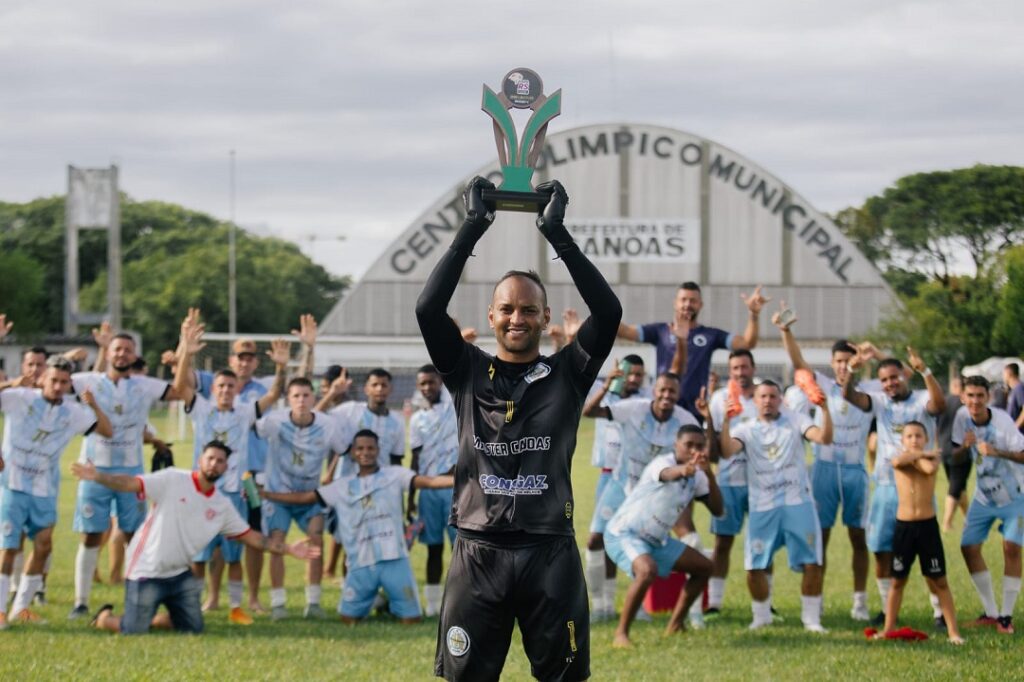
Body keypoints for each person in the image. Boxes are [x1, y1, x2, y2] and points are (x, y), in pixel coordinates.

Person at [416, 177, 620, 681]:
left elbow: (609, 312)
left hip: (549, 552)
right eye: (506, 308)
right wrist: (472, 226)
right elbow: (427, 309)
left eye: (529, 309)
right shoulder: (464, 369)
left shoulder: (568, 372)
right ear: (490, 316)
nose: (517, 318)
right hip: (477, 550)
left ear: (545, 315)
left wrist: (558, 235)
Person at [72, 441, 318, 634]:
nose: (214, 464)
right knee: (133, 631)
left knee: (192, 628)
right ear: (200, 460)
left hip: (180, 575)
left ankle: (152, 617)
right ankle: (105, 619)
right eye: (210, 458)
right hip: (146, 571)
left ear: (226, 468)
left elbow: (252, 538)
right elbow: (130, 484)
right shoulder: (172, 479)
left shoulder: (222, 506)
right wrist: (98, 476)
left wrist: (288, 549)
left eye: (220, 461)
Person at [263, 429, 454, 623]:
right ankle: (379, 601)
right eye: (360, 448)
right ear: (353, 452)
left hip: (395, 560)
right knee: (348, 620)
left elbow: (428, 482)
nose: (366, 452)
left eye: (370, 448)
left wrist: (459, 480)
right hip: (360, 564)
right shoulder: (341, 486)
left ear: (378, 450)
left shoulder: (395, 475)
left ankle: (391, 601)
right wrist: (267, 495)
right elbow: (305, 498)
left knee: (412, 620)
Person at [171, 313, 289, 624]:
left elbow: (275, 394)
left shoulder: (244, 413)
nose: (224, 391)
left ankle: (237, 606)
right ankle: (197, 602)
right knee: (201, 555)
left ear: (237, 390)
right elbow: (180, 384)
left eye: (230, 387)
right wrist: (185, 347)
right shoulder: (201, 408)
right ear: (214, 389)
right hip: (203, 492)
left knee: (235, 551)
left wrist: (280, 366)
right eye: (221, 386)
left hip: (237, 493)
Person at [68, 331, 191, 619]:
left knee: (135, 536)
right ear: (108, 353)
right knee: (91, 536)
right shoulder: (88, 381)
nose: (122, 354)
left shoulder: (143, 385)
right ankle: (81, 601)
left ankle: (137, 599)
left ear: (134, 356)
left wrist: (185, 349)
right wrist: (64, 358)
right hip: (93, 470)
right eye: (117, 349)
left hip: (132, 472)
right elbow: (51, 382)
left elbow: (176, 391)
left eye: (127, 350)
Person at [775, 309, 874, 621]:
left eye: (850, 360)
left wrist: (870, 355)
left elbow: (897, 372)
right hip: (823, 471)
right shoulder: (821, 385)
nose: (844, 366)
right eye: (840, 361)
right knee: (823, 536)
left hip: (856, 471)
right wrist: (786, 333)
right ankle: (815, 601)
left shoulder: (868, 392)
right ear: (832, 363)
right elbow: (799, 363)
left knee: (859, 538)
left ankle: (859, 601)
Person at [0, 358, 113, 629]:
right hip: (12, 484)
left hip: (45, 488)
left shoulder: (74, 412)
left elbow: (107, 431)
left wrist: (93, 404)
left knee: (44, 545)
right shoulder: (19, 398)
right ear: (43, 379)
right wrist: (11, 382)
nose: (59, 386)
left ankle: (21, 608)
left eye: (64, 382)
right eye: (54, 380)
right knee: (8, 548)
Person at [719, 380, 832, 632]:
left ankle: (811, 620)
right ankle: (761, 617)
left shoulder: (796, 420)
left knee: (813, 561)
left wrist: (825, 410)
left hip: (798, 502)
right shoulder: (745, 428)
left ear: (780, 399)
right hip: (762, 505)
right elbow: (726, 451)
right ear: (755, 401)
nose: (768, 400)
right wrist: (725, 422)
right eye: (763, 396)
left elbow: (823, 438)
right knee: (754, 565)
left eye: (772, 396)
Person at [842, 349, 944, 625]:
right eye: (884, 380)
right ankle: (888, 609)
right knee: (880, 549)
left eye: (894, 377)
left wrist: (926, 371)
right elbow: (849, 396)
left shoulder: (922, 398)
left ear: (904, 376)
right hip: (886, 487)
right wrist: (850, 371)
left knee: (926, 551)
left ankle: (938, 611)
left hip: (917, 488)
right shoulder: (878, 402)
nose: (890, 384)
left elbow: (940, 404)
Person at [604, 424, 723, 647]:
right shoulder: (662, 462)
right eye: (689, 445)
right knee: (647, 571)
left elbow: (718, 510)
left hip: (656, 541)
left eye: (699, 446)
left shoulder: (698, 476)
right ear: (676, 445)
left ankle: (675, 625)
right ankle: (621, 634)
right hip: (625, 533)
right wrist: (684, 470)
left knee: (705, 567)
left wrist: (708, 475)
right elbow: (668, 474)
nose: (694, 450)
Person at [258, 376, 351, 620]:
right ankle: (278, 604)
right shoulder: (275, 421)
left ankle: (314, 602)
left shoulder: (327, 424)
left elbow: (343, 451)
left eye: (306, 395)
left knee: (316, 541)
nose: (301, 400)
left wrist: (331, 476)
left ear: (314, 398)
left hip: (310, 498)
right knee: (277, 543)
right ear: (288, 399)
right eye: (296, 396)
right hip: (278, 495)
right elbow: (250, 434)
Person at [615, 281, 768, 419]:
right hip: (664, 406)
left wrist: (753, 314)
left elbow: (747, 344)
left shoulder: (710, 335)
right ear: (675, 303)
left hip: (696, 410)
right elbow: (625, 331)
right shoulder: (661, 331)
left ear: (700, 304)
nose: (688, 304)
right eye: (683, 300)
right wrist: (603, 310)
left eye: (693, 300)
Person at [880, 421, 963, 644]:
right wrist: (919, 454)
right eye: (909, 436)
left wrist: (916, 456)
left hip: (927, 527)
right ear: (902, 440)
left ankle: (953, 632)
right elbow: (897, 461)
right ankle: (889, 628)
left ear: (926, 439)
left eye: (918, 436)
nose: (914, 440)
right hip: (904, 528)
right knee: (897, 580)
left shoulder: (932, 458)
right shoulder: (908, 456)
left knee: (939, 580)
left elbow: (929, 468)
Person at [952, 375, 1024, 634]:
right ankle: (991, 612)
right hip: (984, 496)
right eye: (970, 396)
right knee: (968, 548)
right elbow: (955, 454)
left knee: (1011, 549)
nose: (975, 401)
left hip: (1016, 495)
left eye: (980, 396)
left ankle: (1005, 617)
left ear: (988, 398)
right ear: (963, 397)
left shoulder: (1003, 421)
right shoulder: (961, 417)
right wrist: (963, 448)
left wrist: (997, 451)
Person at [582, 354, 646, 622]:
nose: (633, 379)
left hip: (638, 480)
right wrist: (607, 385)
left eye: (638, 375)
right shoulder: (604, 392)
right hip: (609, 476)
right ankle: (601, 604)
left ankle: (639, 606)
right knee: (597, 539)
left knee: (635, 539)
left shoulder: (646, 401)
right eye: (629, 374)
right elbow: (586, 409)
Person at [705, 349, 758, 616]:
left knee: (761, 543)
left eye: (744, 367)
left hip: (761, 482)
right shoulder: (719, 398)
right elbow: (712, 440)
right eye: (735, 368)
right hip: (728, 479)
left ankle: (764, 603)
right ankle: (714, 602)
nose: (739, 373)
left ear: (753, 368)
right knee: (723, 542)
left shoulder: (764, 397)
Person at [407, 365, 459, 617]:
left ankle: (461, 602)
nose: (427, 387)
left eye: (431, 382)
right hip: (428, 490)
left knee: (461, 549)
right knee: (433, 549)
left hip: (456, 488)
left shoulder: (453, 405)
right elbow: (414, 460)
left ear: (440, 382)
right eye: (422, 383)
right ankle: (432, 605)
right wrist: (410, 499)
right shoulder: (416, 419)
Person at [938, 377, 968, 532]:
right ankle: (946, 523)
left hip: (944, 448)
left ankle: (968, 518)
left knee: (959, 485)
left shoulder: (942, 402)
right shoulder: (964, 404)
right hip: (960, 450)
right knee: (955, 487)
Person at [1003, 363, 1024, 434]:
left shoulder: (1019, 388)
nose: (1003, 377)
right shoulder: (1014, 390)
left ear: (1009, 373)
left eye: (1004, 374)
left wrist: (1015, 427)